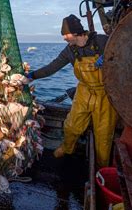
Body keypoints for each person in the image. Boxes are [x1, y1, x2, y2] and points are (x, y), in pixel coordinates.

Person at [27, 14, 118, 167]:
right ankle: (67, 148)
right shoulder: (70, 50)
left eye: (66, 34)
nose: (64, 38)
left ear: (76, 33)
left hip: (105, 93)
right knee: (71, 125)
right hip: (84, 90)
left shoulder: (102, 41)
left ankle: (102, 166)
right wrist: (32, 75)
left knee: (103, 134)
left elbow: (122, 50)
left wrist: (109, 56)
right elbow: (52, 67)